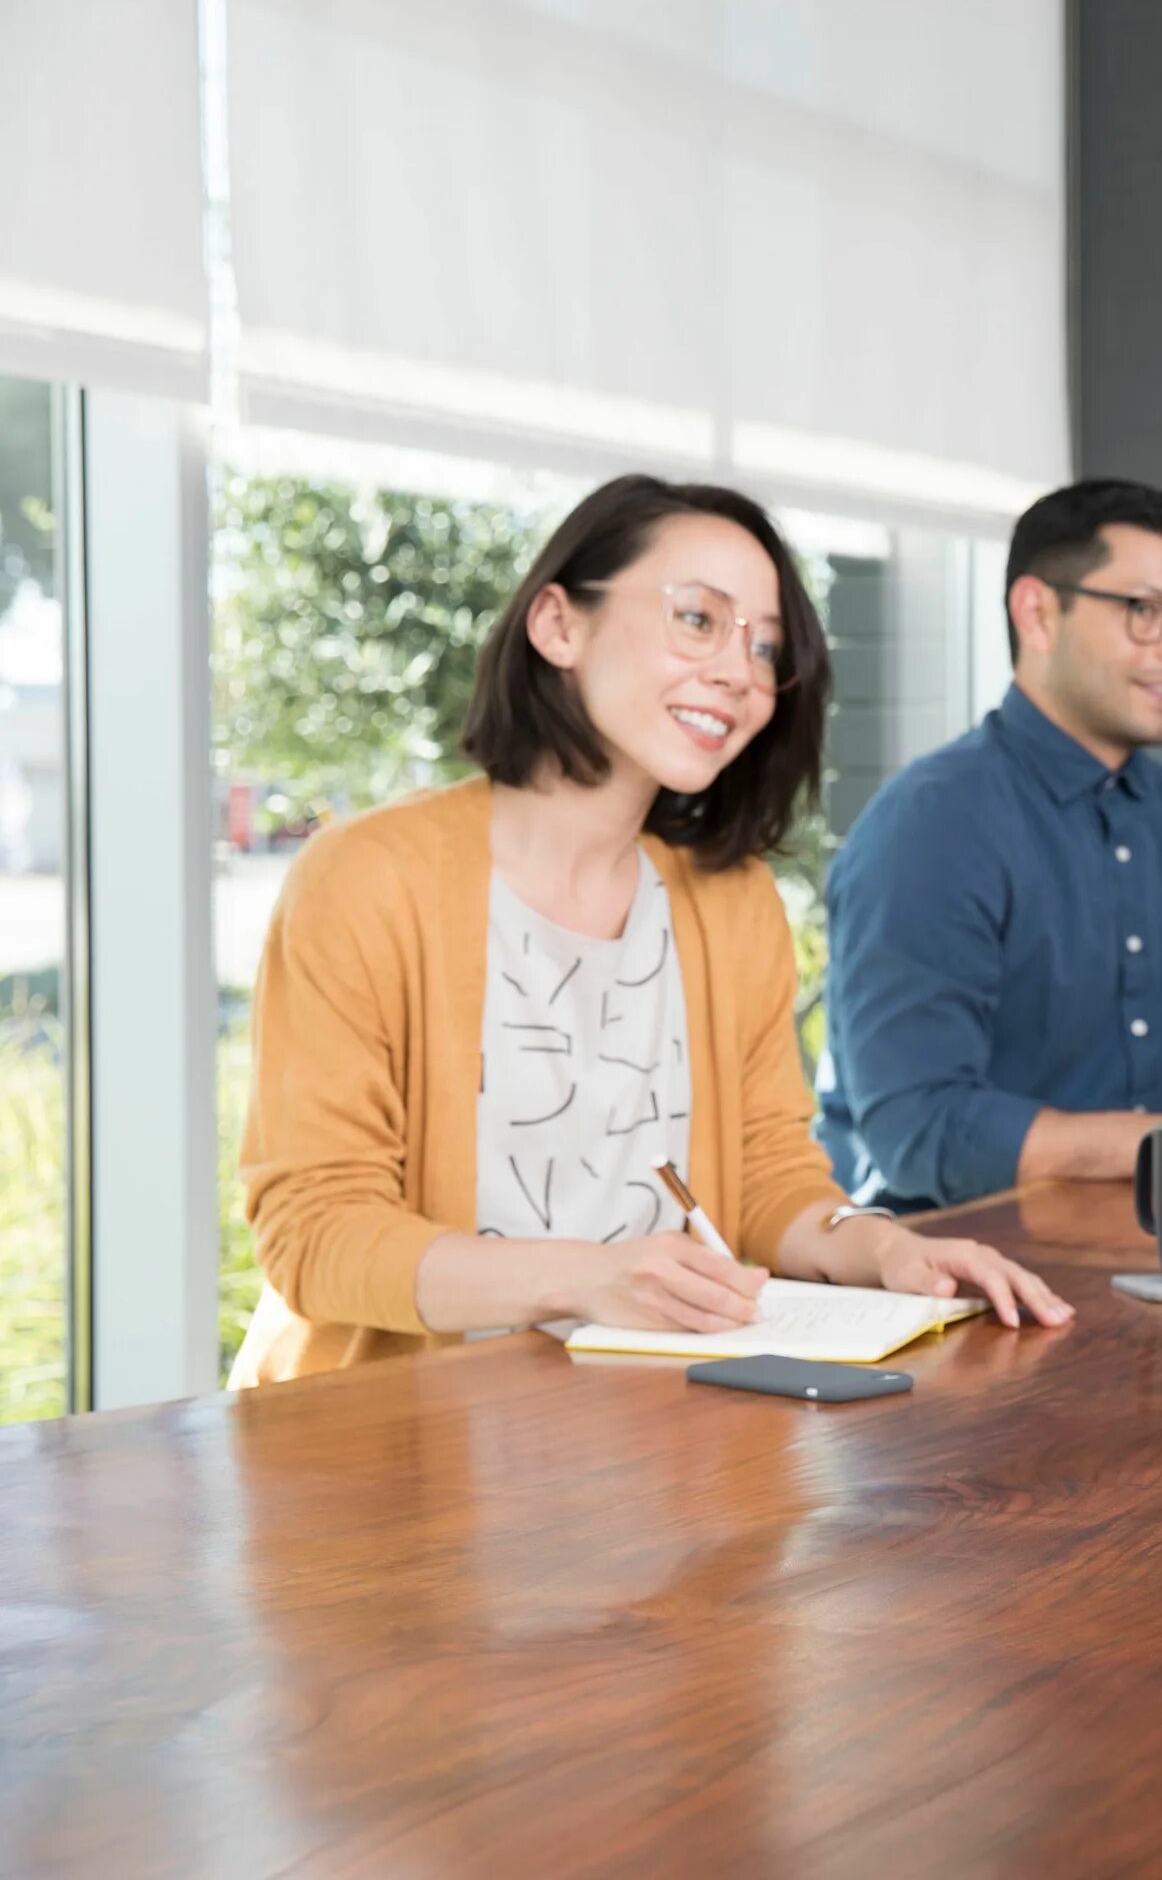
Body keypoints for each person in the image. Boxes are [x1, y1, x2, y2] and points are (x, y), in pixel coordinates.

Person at [232, 475, 1071, 1388]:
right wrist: (590, 1279)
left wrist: (883, 1251)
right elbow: (315, 1232)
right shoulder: (365, 880)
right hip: (384, 1459)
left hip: (650, 1441)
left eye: (766, 647)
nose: (739, 673)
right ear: (558, 625)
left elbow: (764, 1183)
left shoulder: (732, 901)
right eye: (699, 620)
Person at [812, 478, 1162, 1207]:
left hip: (1158, 1259)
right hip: (949, 1283)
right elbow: (921, 1132)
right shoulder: (928, 825)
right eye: (1146, 613)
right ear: (1037, 613)